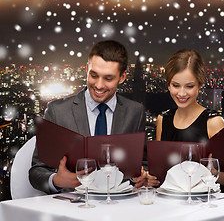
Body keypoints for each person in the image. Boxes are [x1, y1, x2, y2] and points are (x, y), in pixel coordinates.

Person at [29, 40, 149, 194]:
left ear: (122, 77)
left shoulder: (135, 112)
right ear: (87, 69)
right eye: (94, 75)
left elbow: (142, 164)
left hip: (118, 207)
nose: (99, 85)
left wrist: (141, 176)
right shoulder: (57, 111)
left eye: (108, 78)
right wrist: (56, 180)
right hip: (72, 208)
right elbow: (36, 171)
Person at [155, 49, 224, 192]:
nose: (182, 93)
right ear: (168, 84)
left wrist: (213, 174)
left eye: (189, 86)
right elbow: (161, 171)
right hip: (172, 201)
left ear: (200, 85)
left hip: (206, 202)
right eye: (176, 85)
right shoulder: (163, 119)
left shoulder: (213, 122)